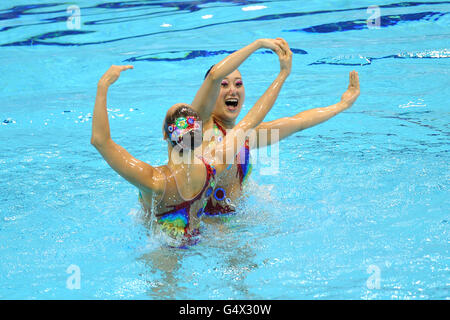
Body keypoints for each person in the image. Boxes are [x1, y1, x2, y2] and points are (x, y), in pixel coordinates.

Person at [90, 38, 288, 247]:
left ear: (165, 135)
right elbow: (251, 119)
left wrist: (102, 86)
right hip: (203, 237)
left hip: (163, 248)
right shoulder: (212, 166)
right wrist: (282, 74)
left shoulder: (153, 181)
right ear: (199, 138)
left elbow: (100, 141)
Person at [191, 39, 360, 216]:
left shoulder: (247, 136)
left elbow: (299, 122)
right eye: (224, 84)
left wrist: (342, 105)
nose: (233, 90)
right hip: (205, 233)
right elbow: (214, 76)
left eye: (238, 84)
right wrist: (258, 45)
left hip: (233, 225)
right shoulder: (199, 126)